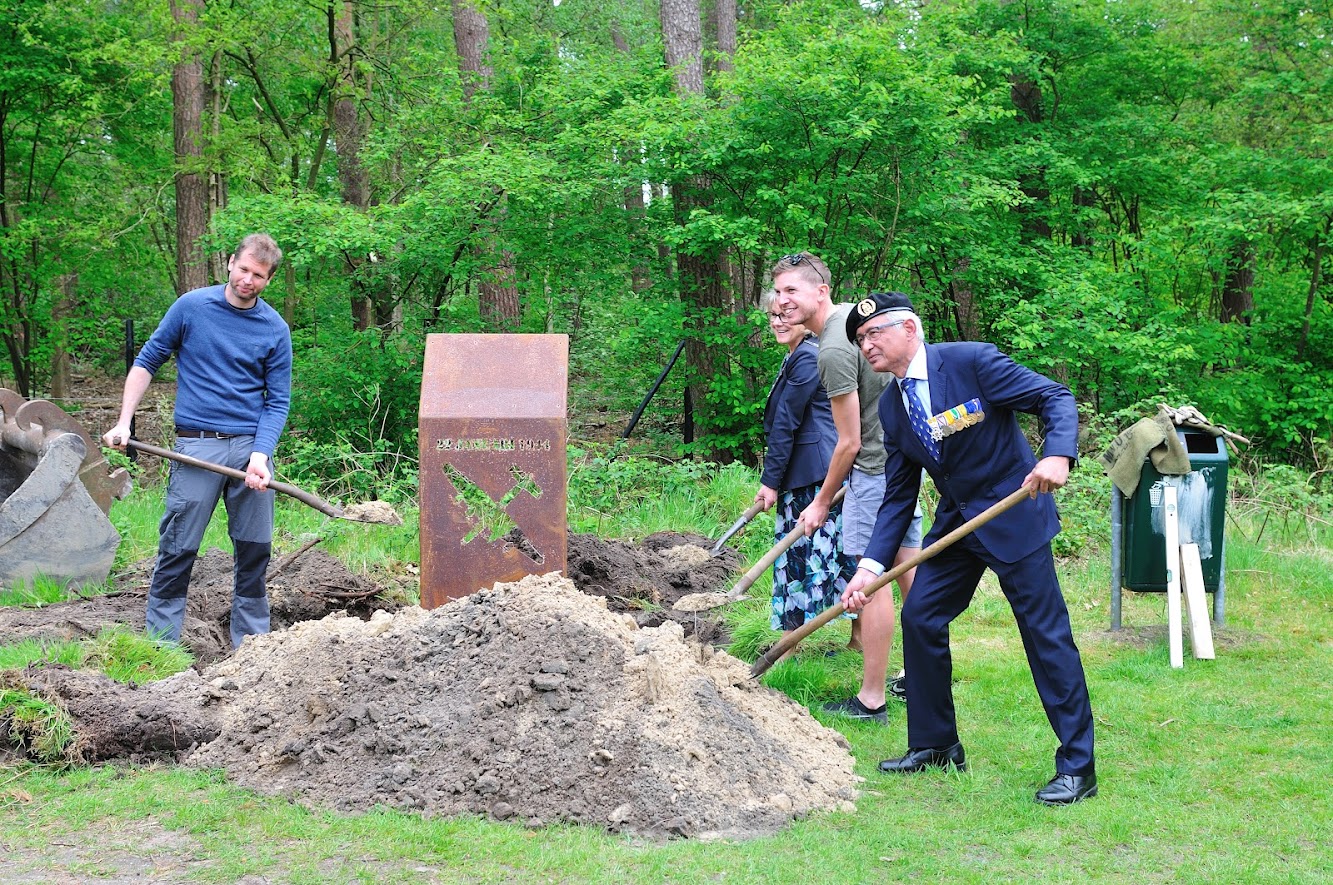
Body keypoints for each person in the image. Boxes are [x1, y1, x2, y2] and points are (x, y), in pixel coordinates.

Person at [841, 291, 1097, 805]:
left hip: (1015, 516)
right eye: (859, 340)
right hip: (957, 526)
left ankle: (1077, 767)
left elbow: (1054, 396)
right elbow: (898, 495)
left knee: (1045, 636)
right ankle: (936, 744)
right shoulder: (892, 406)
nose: (866, 345)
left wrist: (1059, 455)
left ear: (909, 328)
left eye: (874, 333)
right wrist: (869, 568)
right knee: (921, 617)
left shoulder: (971, 362)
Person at [103, 233, 292, 650]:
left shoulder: (275, 329)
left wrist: (261, 455)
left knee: (255, 547)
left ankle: (253, 648)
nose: (248, 280)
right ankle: (160, 646)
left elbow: (277, 402)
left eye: (258, 276)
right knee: (179, 543)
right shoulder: (191, 307)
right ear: (230, 263)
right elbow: (146, 361)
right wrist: (124, 422)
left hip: (249, 449)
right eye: (243, 269)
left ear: (268, 279)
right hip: (196, 445)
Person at [771, 252, 923, 725]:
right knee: (907, 568)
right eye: (777, 292)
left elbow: (849, 442)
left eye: (792, 290)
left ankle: (872, 698)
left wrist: (820, 502)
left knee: (870, 579)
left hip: (876, 474)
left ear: (821, 291)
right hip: (901, 466)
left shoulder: (834, 348)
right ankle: (924, 673)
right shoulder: (851, 330)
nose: (781, 302)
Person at [753, 291, 857, 658]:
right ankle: (856, 639)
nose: (778, 321)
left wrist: (770, 482)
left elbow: (786, 424)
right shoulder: (796, 356)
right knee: (841, 554)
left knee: (798, 557)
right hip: (816, 468)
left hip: (814, 473)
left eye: (785, 314)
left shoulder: (808, 358)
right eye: (772, 316)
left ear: (802, 317)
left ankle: (788, 645)